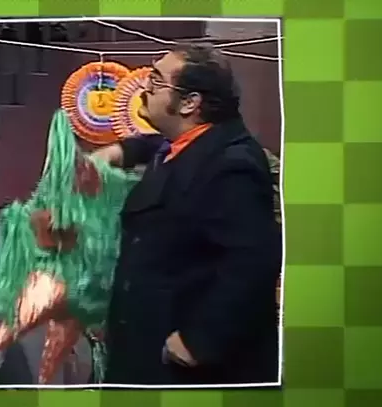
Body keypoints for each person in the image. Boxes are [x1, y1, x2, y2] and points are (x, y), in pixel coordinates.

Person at [93, 43, 282, 385]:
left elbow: (252, 264)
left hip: (185, 368)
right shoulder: (197, 141)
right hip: (143, 346)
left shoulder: (233, 166)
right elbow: (161, 146)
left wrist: (199, 341)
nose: (144, 87)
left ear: (190, 103)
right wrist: (124, 150)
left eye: (156, 80)